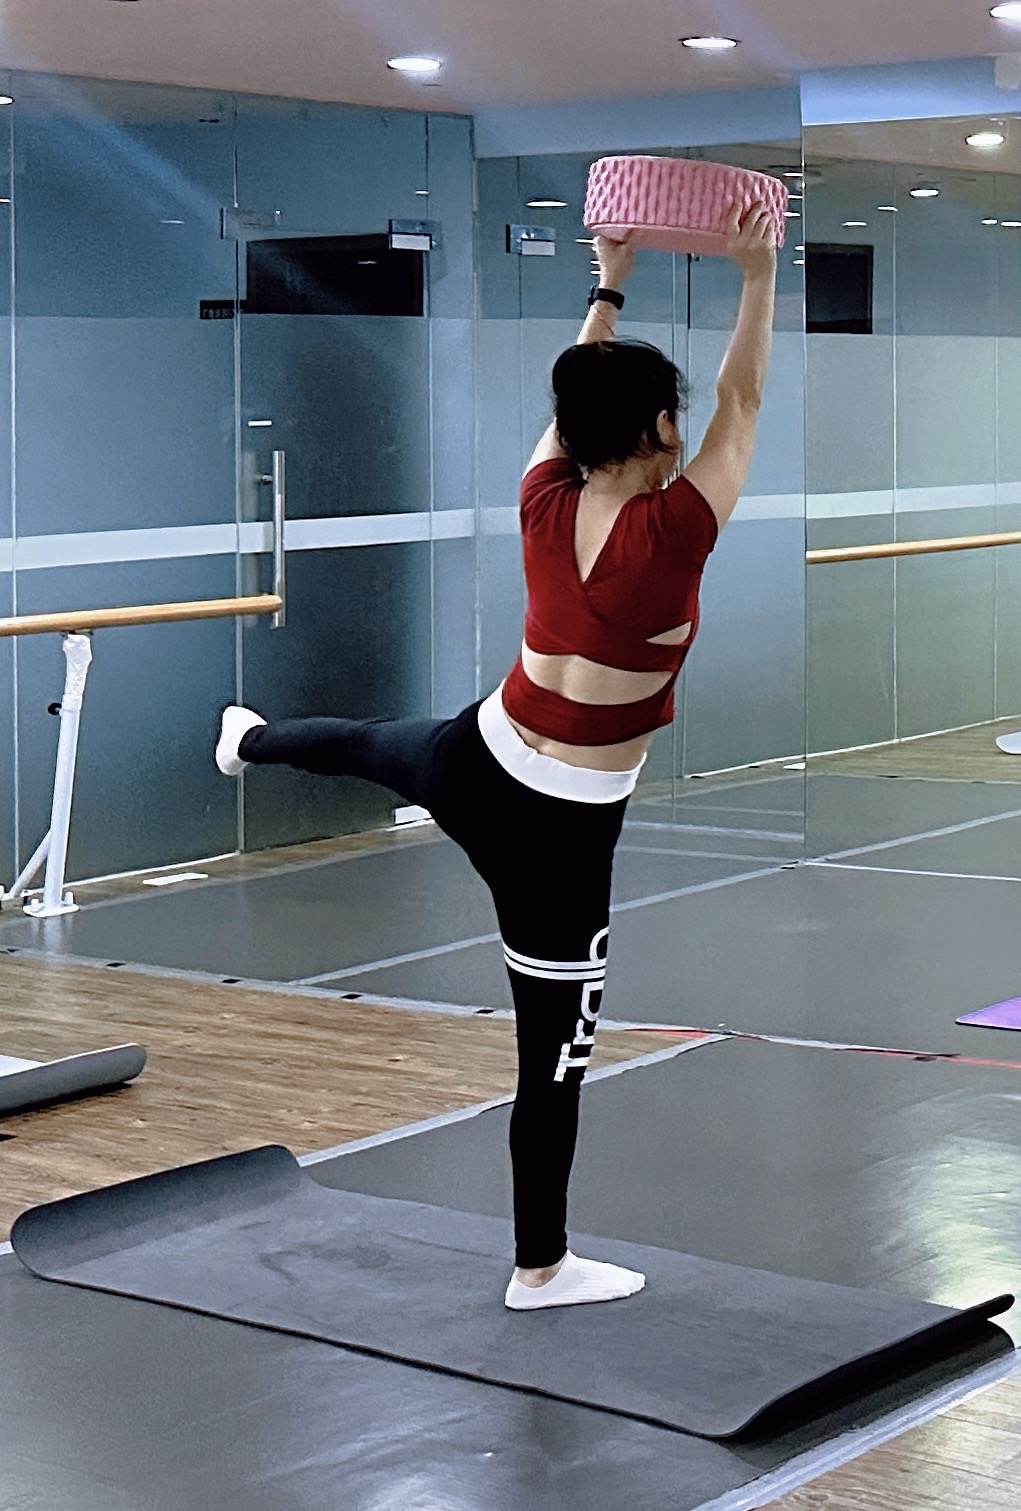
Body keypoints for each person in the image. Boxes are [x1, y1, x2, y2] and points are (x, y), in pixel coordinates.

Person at [215, 201, 777, 1310]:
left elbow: (583, 399)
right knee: (553, 1056)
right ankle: (540, 1266)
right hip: (560, 830)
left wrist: (610, 281)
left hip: (479, 755)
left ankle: (250, 739)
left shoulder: (542, 496)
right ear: (662, 430)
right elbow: (745, 400)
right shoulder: (673, 534)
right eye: (673, 418)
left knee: (367, 744)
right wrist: (757, 274)